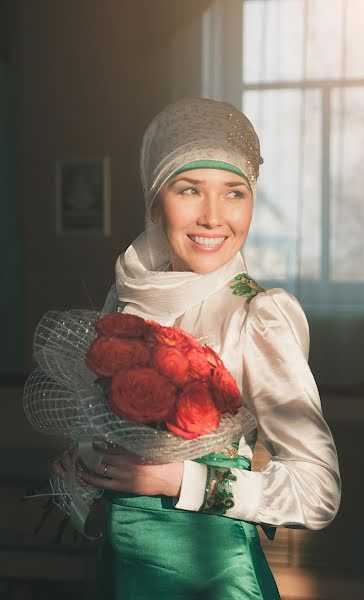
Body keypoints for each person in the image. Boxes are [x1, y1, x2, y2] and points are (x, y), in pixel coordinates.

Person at [54, 97, 341, 599]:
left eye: (234, 193)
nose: (214, 217)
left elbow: (318, 493)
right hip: (123, 576)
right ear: (154, 201)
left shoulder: (258, 314)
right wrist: (83, 473)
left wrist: (180, 481)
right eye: (189, 190)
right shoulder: (125, 301)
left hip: (214, 582)